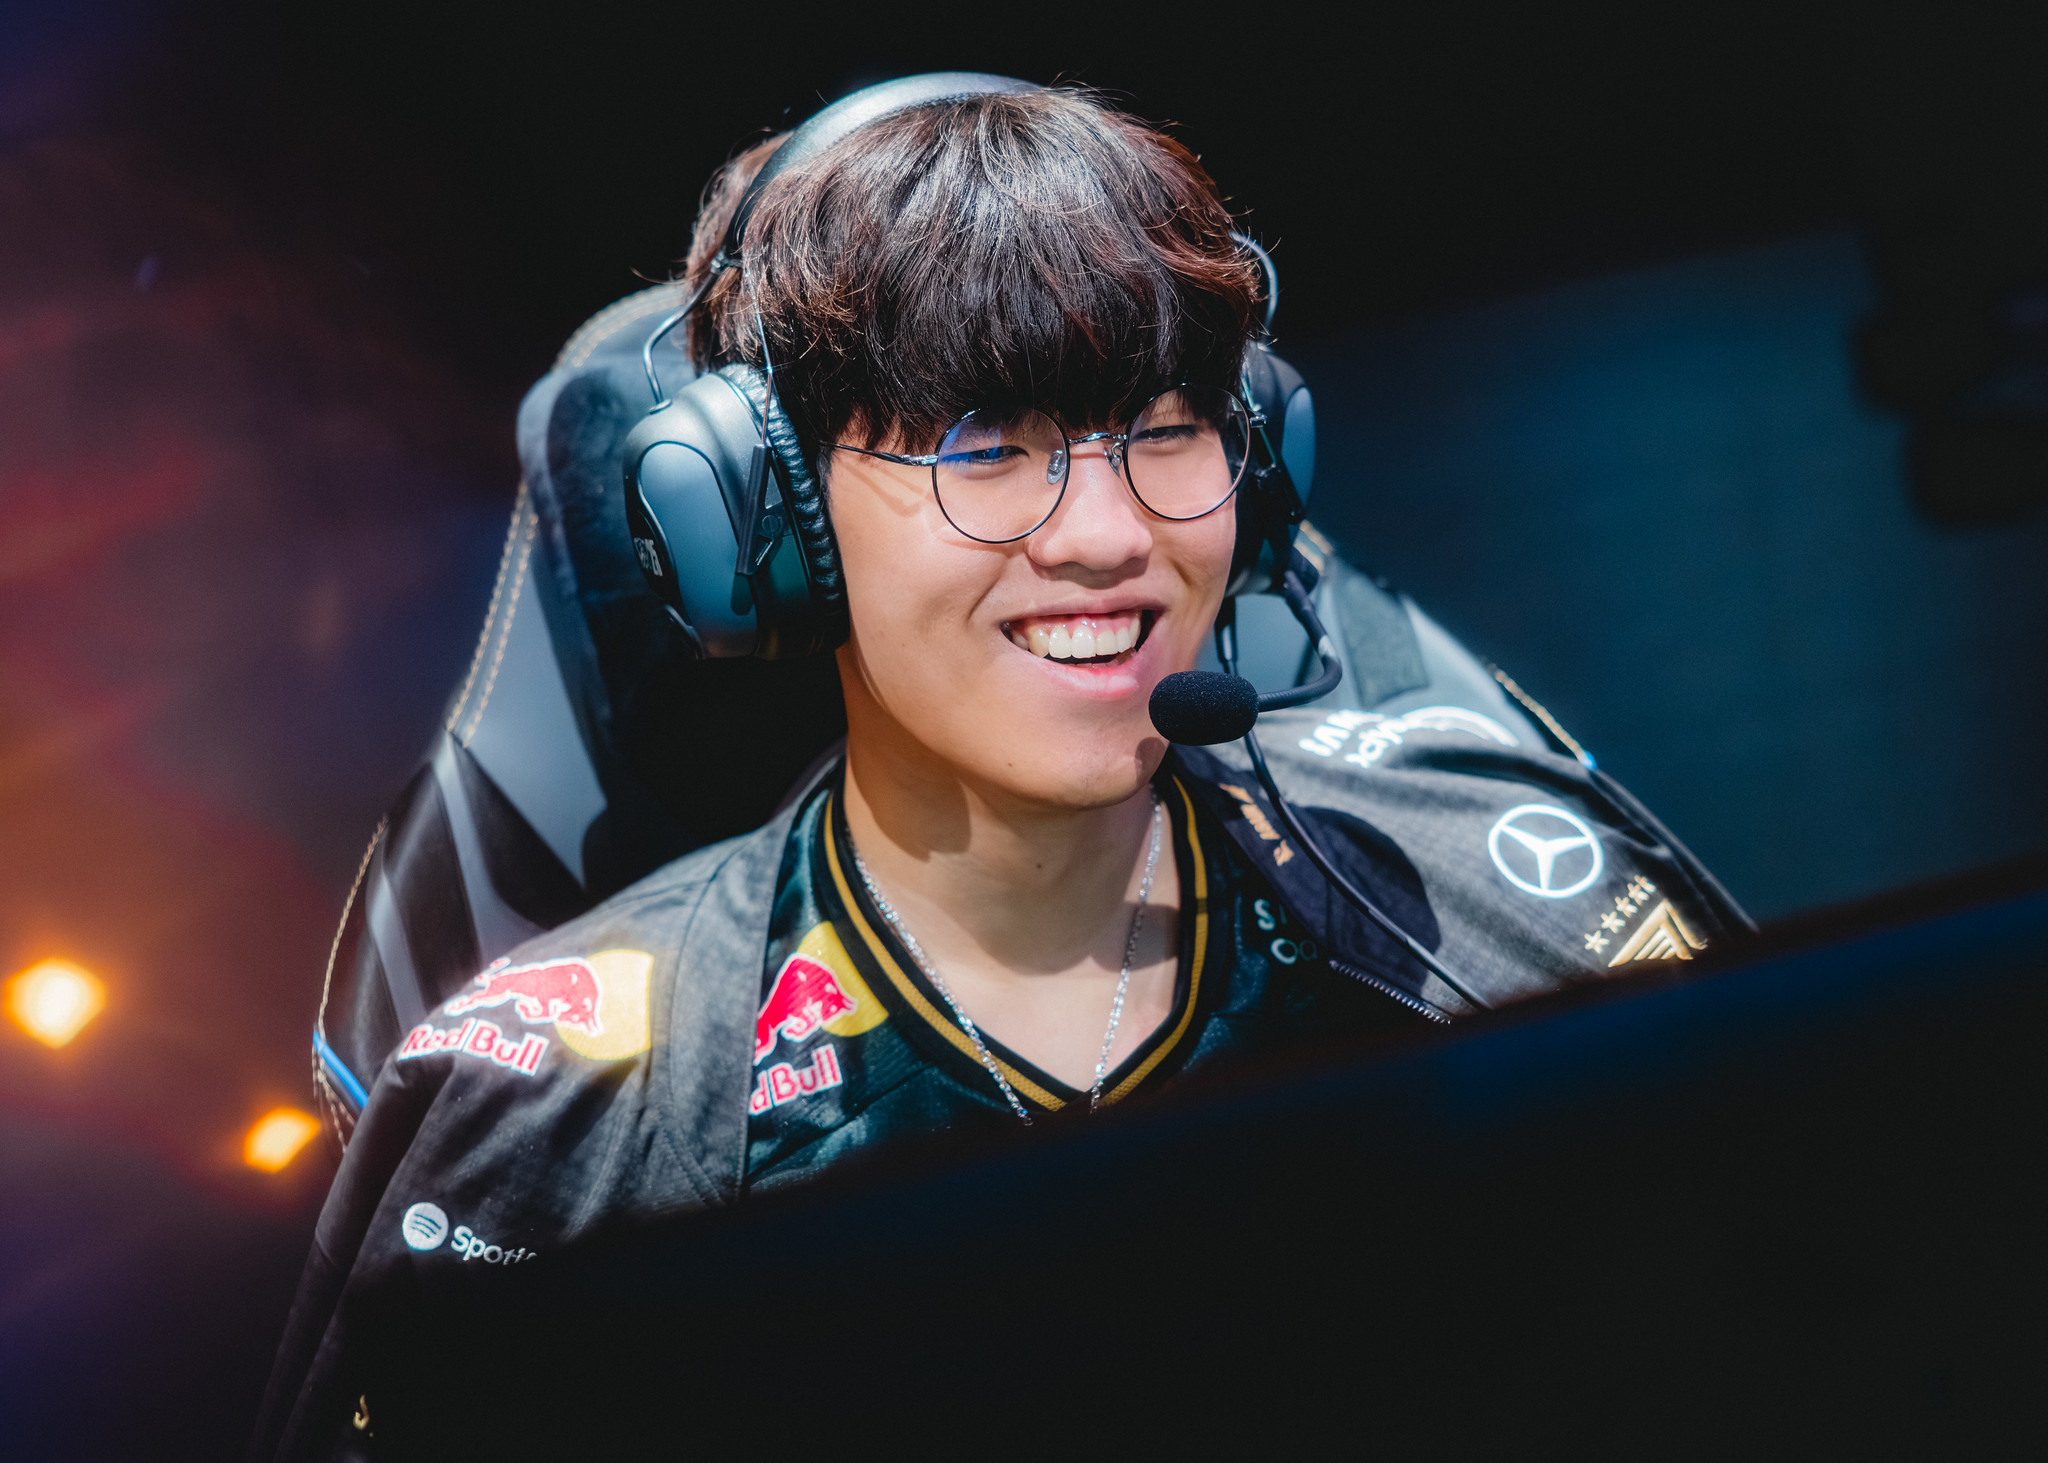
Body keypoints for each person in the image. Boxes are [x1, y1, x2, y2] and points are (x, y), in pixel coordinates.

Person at [256, 80, 1748, 1458]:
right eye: (985, 449)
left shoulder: (1512, 900)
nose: (1107, 535)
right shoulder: (553, 1127)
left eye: (1168, 429)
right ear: (765, 524)